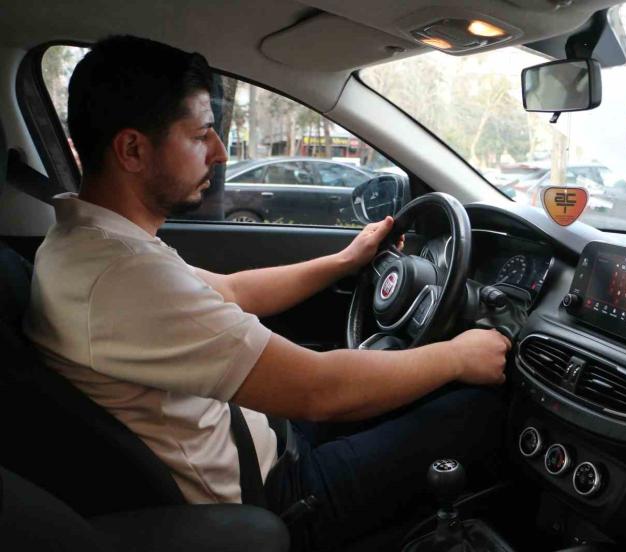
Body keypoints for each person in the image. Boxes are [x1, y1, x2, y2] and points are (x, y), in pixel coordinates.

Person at [23, 35, 510, 550]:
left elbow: (232, 290)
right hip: (275, 497)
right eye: (201, 135)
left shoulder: (93, 243)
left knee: (422, 385)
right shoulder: (121, 276)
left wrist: (344, 260)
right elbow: (319, 390)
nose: (218, 152)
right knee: (477, 410)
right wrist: (458, 356)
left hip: (268, 437)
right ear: (132, 150)